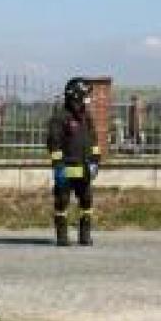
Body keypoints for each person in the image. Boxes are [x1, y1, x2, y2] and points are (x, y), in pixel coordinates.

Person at [46, 77, 101, 247]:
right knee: (62, 202)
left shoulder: (87, 117)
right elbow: (54, 144)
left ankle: (85, 235)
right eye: (85, 96)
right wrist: (58, 166)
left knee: (86, 201)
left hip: (85, 169)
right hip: (66, 170)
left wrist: (95, 161)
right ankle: (62, 236)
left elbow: (94, 141)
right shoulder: (60, 118)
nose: (88, 99)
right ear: (75, 96)